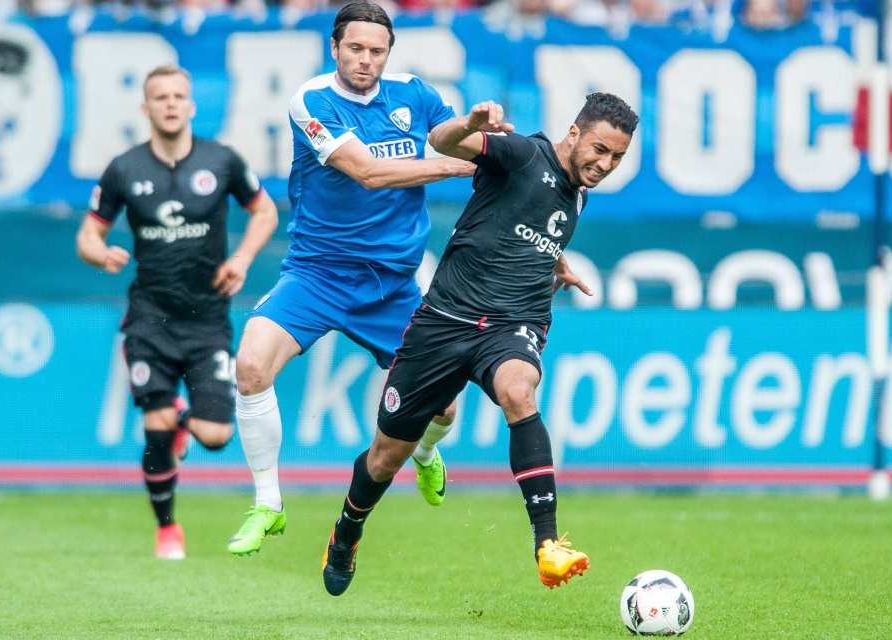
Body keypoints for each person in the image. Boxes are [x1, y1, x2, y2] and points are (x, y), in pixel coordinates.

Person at [321, 92, 638, 595]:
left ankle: (548, 544)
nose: (605, 164)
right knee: (383, 458)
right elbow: (442, 140)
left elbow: (531, 226)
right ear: (573, 133)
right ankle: (346, 534)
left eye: (616, 158)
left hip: (515, 323)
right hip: (444, 321)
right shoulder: (522, 154)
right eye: (599, 149)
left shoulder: (577, 192)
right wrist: (467, 123)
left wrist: (555, 261)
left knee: (519, 391)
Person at [227, 0, 477, 556]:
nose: (366, 60)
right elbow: (368, 173)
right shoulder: (311, 102)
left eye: (377, 51)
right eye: (356, 49)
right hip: (317, 275)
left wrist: (471, 128)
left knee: (444, 408)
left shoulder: (413, 92)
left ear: (389, 53)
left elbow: (447, 134)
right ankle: (268, 504)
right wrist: (452, 165)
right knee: (249, 364)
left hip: (392, 286)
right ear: (335, 48)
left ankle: (426, 453)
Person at [75, 64, 279, 560]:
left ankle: (185, 421)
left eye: (178, 96)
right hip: (149, 317)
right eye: (160, 97)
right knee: (155, 424)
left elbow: (266, 212)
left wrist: (242, 258)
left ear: (190, 106)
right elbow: (87, 234)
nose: (170, 104)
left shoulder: (223, 160)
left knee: (215, 435)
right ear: (146, 108)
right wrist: (100, 254)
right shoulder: (124, 168)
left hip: (208, 319)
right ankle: (168, 529)